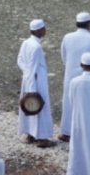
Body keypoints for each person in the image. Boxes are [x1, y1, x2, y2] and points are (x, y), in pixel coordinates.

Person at [60, 12, 90, 142]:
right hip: (88, 74)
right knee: (87, 103)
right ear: (89, 24)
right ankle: (86, 131)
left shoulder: (67, 37)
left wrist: (71, 66)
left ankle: (66, 131)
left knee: (68, 102)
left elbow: (64, 56)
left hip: (70, 74)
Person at [16, 19, 54, 147]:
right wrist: (32, 90)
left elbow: (20, 60)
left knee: (29, 107)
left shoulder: (26, 42)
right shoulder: (36, 47)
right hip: (36, 81)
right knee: (38, 105)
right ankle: (42, 138)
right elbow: (33, 68)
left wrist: (26, 73)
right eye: (43, 28)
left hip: (27, 78)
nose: (45, 31)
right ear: (38, 31)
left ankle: (30, 134)